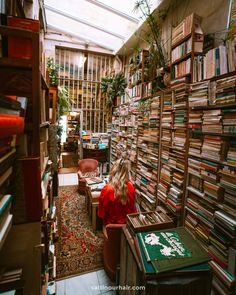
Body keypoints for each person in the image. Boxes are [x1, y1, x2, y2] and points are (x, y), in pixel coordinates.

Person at [98, 158, 136, 225]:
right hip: (127, 225)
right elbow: (132, 208)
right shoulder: (131, 187)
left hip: (111, 226)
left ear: (114, 170)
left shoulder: (107, 189)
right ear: (127, 173)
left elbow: (101, 213)